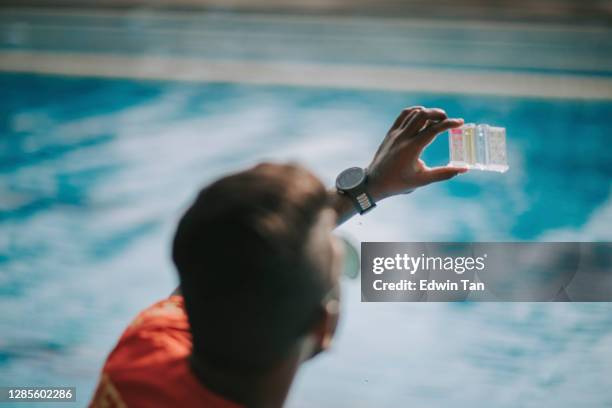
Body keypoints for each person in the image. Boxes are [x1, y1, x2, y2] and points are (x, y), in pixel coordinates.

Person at [89, 107, 467, 408]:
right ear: (325, 327)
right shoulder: (150, 336)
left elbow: (223, 267)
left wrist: (366, 188)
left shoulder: (145, 345)